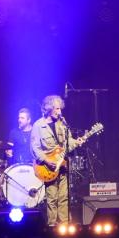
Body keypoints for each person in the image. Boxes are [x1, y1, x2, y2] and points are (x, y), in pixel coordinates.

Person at [30, 94, 83, 226]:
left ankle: (65, 225)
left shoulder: (62, 124)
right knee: (52, 198)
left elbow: (68, 142)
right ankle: (52, 226)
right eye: (57, 109)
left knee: (64, 197)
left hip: (63, 165)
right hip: (48, 167)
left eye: (60, 109)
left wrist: (77, 142)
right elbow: (35, 148)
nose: (60, 112)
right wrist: (47, 161)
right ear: (49, 109)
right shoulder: (38, 126)